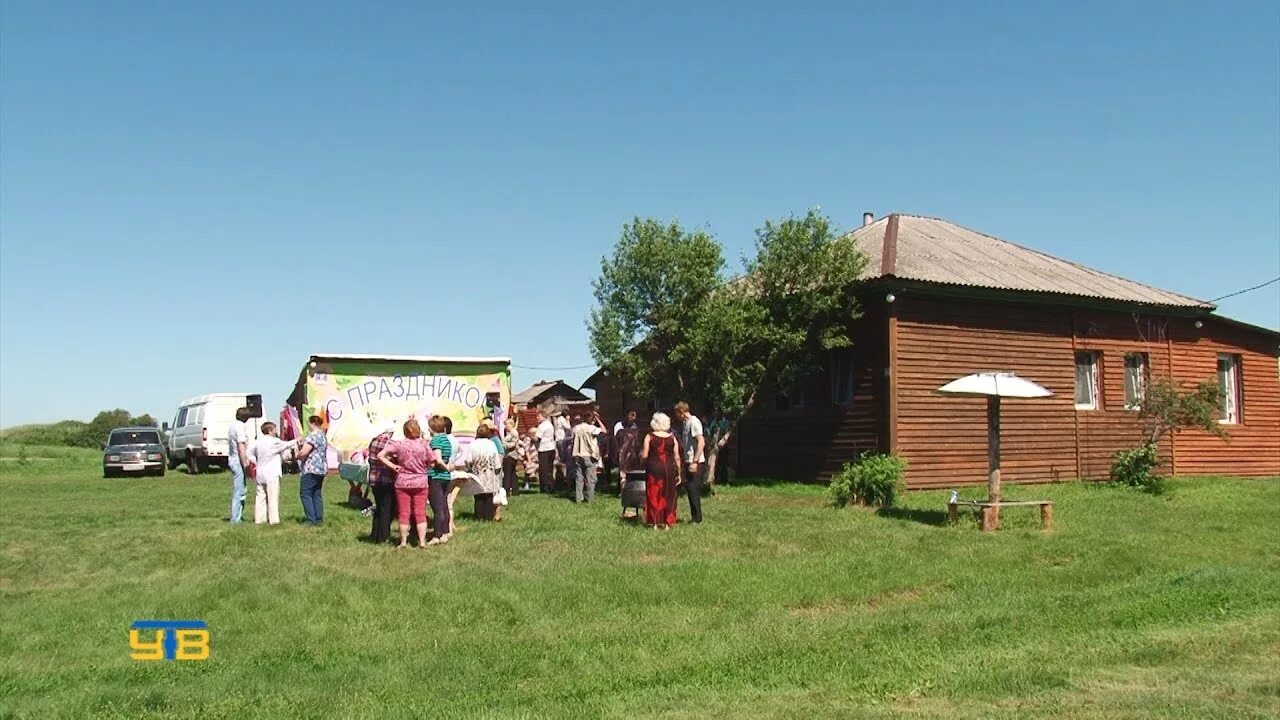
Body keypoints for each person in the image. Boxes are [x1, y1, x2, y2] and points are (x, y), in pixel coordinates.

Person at [377, 419, 434, 549]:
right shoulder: (424, 445)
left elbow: (380, 455)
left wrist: (393, 466)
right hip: (420, 482)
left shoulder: (399, 444)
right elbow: (432, 461)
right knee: (420, 512)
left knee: (404, 513)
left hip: (402, 482)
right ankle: (422, 542)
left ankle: (403, 542)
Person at [447, 423, 506, 523]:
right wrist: (497, 469)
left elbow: (469, 459)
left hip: (478, 471)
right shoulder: (491, 443)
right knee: (489, 496)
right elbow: (496, 458)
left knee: (478, 495)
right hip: (490, 473)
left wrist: (468, 467)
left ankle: (479, 516)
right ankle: (488, 516)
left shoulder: (473, 444)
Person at [248, 422, 298, 525]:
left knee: (260, 496)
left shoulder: (258, 441)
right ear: (270, 430)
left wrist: (255, 461)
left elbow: (249, 453)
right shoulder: (274, 441)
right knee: (272, 496)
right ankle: (274, 520)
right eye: (275, 429)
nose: (276, 431)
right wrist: (296, 440)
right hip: (272, 472)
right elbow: (286, 444)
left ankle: (259, 519)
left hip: (260, 472)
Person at [640, 412, 681, 529]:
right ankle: (668, 522)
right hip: (668, 468)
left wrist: (642, 463)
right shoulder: (672, 437)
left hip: (653, 467)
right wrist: (679, 472)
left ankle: (654, 523)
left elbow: (644, 455)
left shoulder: (649, 436)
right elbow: (677, 457)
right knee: (668, 494)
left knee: (653, 493)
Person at [674, 401, 706, 524]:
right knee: (689, 488)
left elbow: (701, 442)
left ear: (681, 412)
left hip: (695, 462)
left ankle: (697, 519)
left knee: (693, 489)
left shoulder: (694, 422)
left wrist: (695, 462)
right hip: (688, 461)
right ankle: (694, 516)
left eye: (677, 413)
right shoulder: (685, 423)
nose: (676, 416)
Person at [366, 427, 397, 544]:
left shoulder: (373, 441)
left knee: (379, 507)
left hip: (374, 479)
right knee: (387, 509)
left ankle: (375, 535)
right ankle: (384, 537)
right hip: (387, 479)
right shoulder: (389, 443)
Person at [295, 415, 328, 525]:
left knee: (305, 493)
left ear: (312, 423)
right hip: (321, 468)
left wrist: (297, 454)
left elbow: (304, 452)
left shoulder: (312, 436)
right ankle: (319, 518)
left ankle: (310, 519)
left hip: (311, 468)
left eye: (308, 423)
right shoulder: (322, 435)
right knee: (316, 493)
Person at [427, 415, 455, 543]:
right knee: (444, 505)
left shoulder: (436, 440)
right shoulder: (446, 439)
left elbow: (438, 459)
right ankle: (445, 532)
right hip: (445, 478)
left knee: (437, 507)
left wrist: (445, 467)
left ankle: (437, 535)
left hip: (436, 475)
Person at [571, 411, 606, 503]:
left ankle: (579, 498)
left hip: (578, 454)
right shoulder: (592, 428)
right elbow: (604, 431)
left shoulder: (576, 428)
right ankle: (589, 498)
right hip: (589, 455)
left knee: (579, 478)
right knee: (590, 478)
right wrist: (598, 419)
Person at [227, 407, 252, 523]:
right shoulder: (241, 427)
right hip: (238, 459)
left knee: (240, 488)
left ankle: (238, 516)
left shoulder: (232, 426)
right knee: (240, 490)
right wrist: (245, 461)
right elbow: (241, 445)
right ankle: (236, 518)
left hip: (232, 458)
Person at [535, 409, 556, 493]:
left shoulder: (542, 426)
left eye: (538, 416)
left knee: (543, 470)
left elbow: (537, 437)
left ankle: (544, 488)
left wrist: (530, 436)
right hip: (551, 448)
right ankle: (550, 486)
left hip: (544, 449)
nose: (537, 417)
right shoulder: (550, 424)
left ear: (543, 416)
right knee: (549, 469)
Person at [501, 418, 521, 496]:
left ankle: (506, 490)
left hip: (511, 455)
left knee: (508, 473)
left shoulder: (514, 433)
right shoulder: (509, 433)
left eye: (506, 424)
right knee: (512, 473)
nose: (505, 426)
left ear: (511, 424)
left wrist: (504, 444)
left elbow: (513, 444)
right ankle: (515, 491)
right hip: (509, 455)